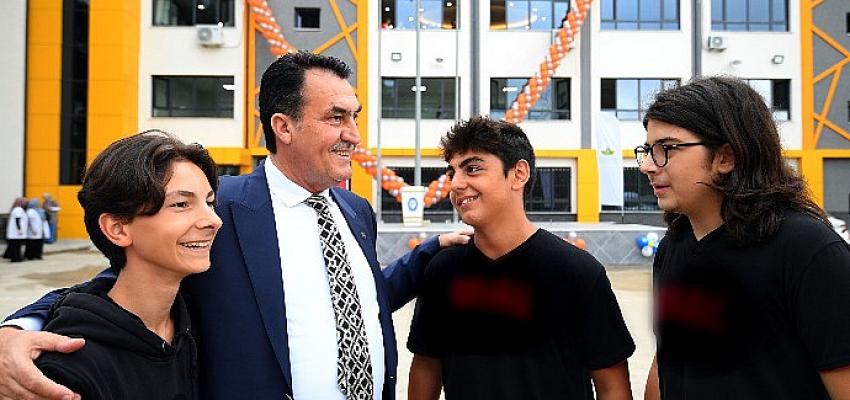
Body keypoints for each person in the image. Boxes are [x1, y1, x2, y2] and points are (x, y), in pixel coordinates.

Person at [0, 51, 469, 400]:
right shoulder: (216, 206)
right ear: (283, 127)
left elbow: (357, 302)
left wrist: (428, 252)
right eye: (336, 118)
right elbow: (125, 277)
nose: (354, 134)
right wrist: (19, 327)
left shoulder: (355, 210)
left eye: (355, 117)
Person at [638, 76, 850, 399]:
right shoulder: (673, 247)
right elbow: (668, 359)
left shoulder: (808, 250)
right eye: (647, 150)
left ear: (726, 157)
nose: (647, 166)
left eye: (666, 149)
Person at [407, 116, 635, 400]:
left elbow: (612, 386)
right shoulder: (443, 271)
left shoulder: (578, 272)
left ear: (518, 173)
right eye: (452, 172)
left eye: (472, 169)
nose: (456, 184)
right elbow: (426, 367)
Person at [35, 131, 222, 399]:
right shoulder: (68, 370)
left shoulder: (195, 325)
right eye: (181, 204)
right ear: (118, 229)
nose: (214, 221)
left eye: (210, 202)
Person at [3, 198, 28, 263]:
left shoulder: (16, 209)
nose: (26, 204)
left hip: (15, 233)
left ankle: (17, 257)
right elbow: (17, 220)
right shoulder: (18, 209)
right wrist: (19, 229)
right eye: (25, 202)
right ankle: (15, 258)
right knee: (16, 246)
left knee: (16, 246)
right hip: (16, 232)